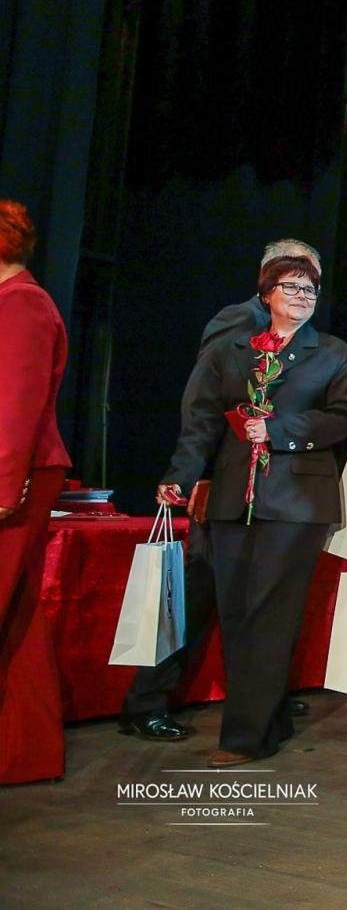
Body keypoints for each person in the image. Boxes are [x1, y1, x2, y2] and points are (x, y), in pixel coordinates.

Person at [157, 254, 347, 767]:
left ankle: (244, 737)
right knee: (237, 612)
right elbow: (201, 420)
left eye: (310, 290)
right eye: (290, 287)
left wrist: (280, 431)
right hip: (233, 497)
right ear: (266, 293)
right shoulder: (233, 351)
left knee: (270, 614)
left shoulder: (333, 353)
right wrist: (179, 479)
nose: (300, 297)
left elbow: (343, 419)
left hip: (296, 503)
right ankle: (268, 720)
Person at [121, 238, 321, 742]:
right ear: (268, 279)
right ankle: (145, 701)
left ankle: (259, 697)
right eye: (293, 277)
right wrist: (188, 475)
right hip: (220, 488)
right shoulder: (241, 322)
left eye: (310, 280)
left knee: (252, 598)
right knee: (195, 597)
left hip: (269, 495)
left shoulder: (300, 335)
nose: (305, 287)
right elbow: (203, 406)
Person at [0, 200, 72, 784]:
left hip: (13, 474)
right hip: (16, 471)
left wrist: (4, 488)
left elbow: (16, 405)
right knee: (16, 614)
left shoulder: (23, 304)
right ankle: (24, 753)